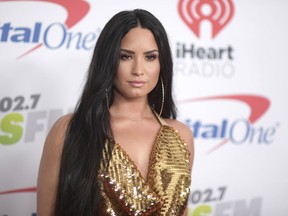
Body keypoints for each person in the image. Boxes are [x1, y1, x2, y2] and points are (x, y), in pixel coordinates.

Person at [37, 9, 194, 216]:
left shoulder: (181, 135)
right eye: (126, 56)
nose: (138, 69)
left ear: (161, 63)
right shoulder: (70, 131)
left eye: (150, 57)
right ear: (108, 61)